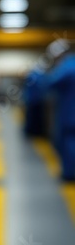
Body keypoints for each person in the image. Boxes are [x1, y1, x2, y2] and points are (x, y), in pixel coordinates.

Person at [44, 39, 75, 181]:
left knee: (67, 142)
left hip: (69, 114)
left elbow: (51, 82)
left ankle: (70, 173)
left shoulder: (66, 67)